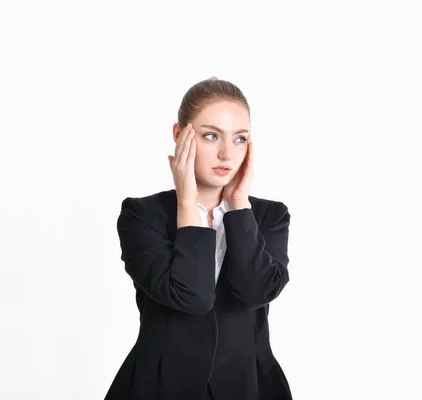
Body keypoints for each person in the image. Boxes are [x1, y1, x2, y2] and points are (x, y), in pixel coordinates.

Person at [104, 77, 293, 400]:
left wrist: (237, 206)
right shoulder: (142, 216)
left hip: (251, 388)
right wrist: (187, 204)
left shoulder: (268, 217)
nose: (225, 154)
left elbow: (253, 292)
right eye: (210, 136)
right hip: (159, 388)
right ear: (179, 135)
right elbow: (191, 297)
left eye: (239, 139)